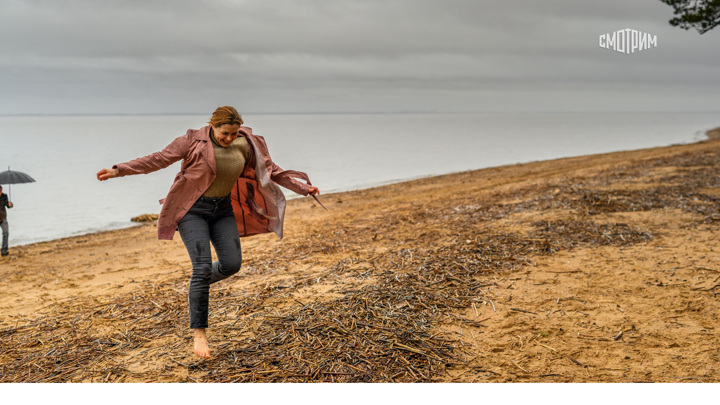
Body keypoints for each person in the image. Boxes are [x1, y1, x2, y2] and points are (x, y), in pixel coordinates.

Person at [97, 106, 319, 359]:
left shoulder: (247, 144)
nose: (229, 138)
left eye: (234, 134)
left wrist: (303, 188)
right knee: (201, 268)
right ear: (213, 125)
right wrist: (120, 169)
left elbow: (271, 171)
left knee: (231, 265)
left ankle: (197, 287)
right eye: (225, 133)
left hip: (222, 210)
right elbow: (158, 159)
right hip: (191, 210)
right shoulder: (192, 140)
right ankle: (199, 333)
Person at [0, 185, 13, 257]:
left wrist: (10, 205)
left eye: (0, 191)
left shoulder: (4, 196)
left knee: (5, 233)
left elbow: (7, 206)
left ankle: (4, 250)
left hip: (3, 218)